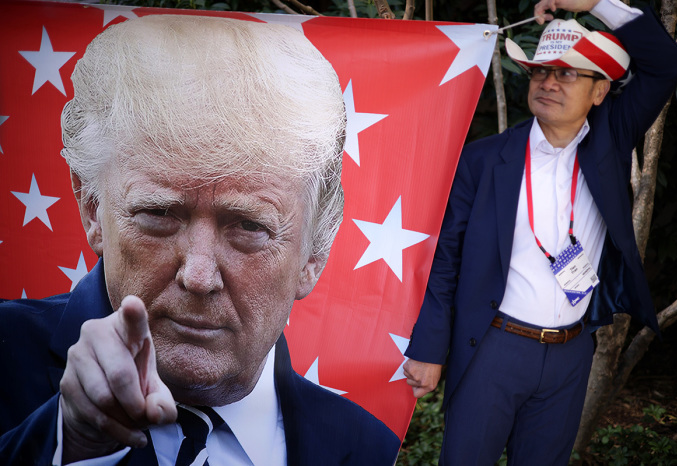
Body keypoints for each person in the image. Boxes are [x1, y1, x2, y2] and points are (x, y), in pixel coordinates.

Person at [0, 14, 400, 465]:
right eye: (159, 213)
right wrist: (70, 447)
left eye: (249, 226)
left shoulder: (370, 451)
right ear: (92, 206)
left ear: (315, 252)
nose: (198, 275)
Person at [403, 0, 677, 464]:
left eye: (568, 74)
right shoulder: (484, 159)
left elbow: (667, 62)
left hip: (570, 355)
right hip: (492, 349)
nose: (549, 83)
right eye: (540, 72)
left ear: (600, 93)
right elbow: (446, 258)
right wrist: (429, 349)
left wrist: (595, 4)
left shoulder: (610, 141)